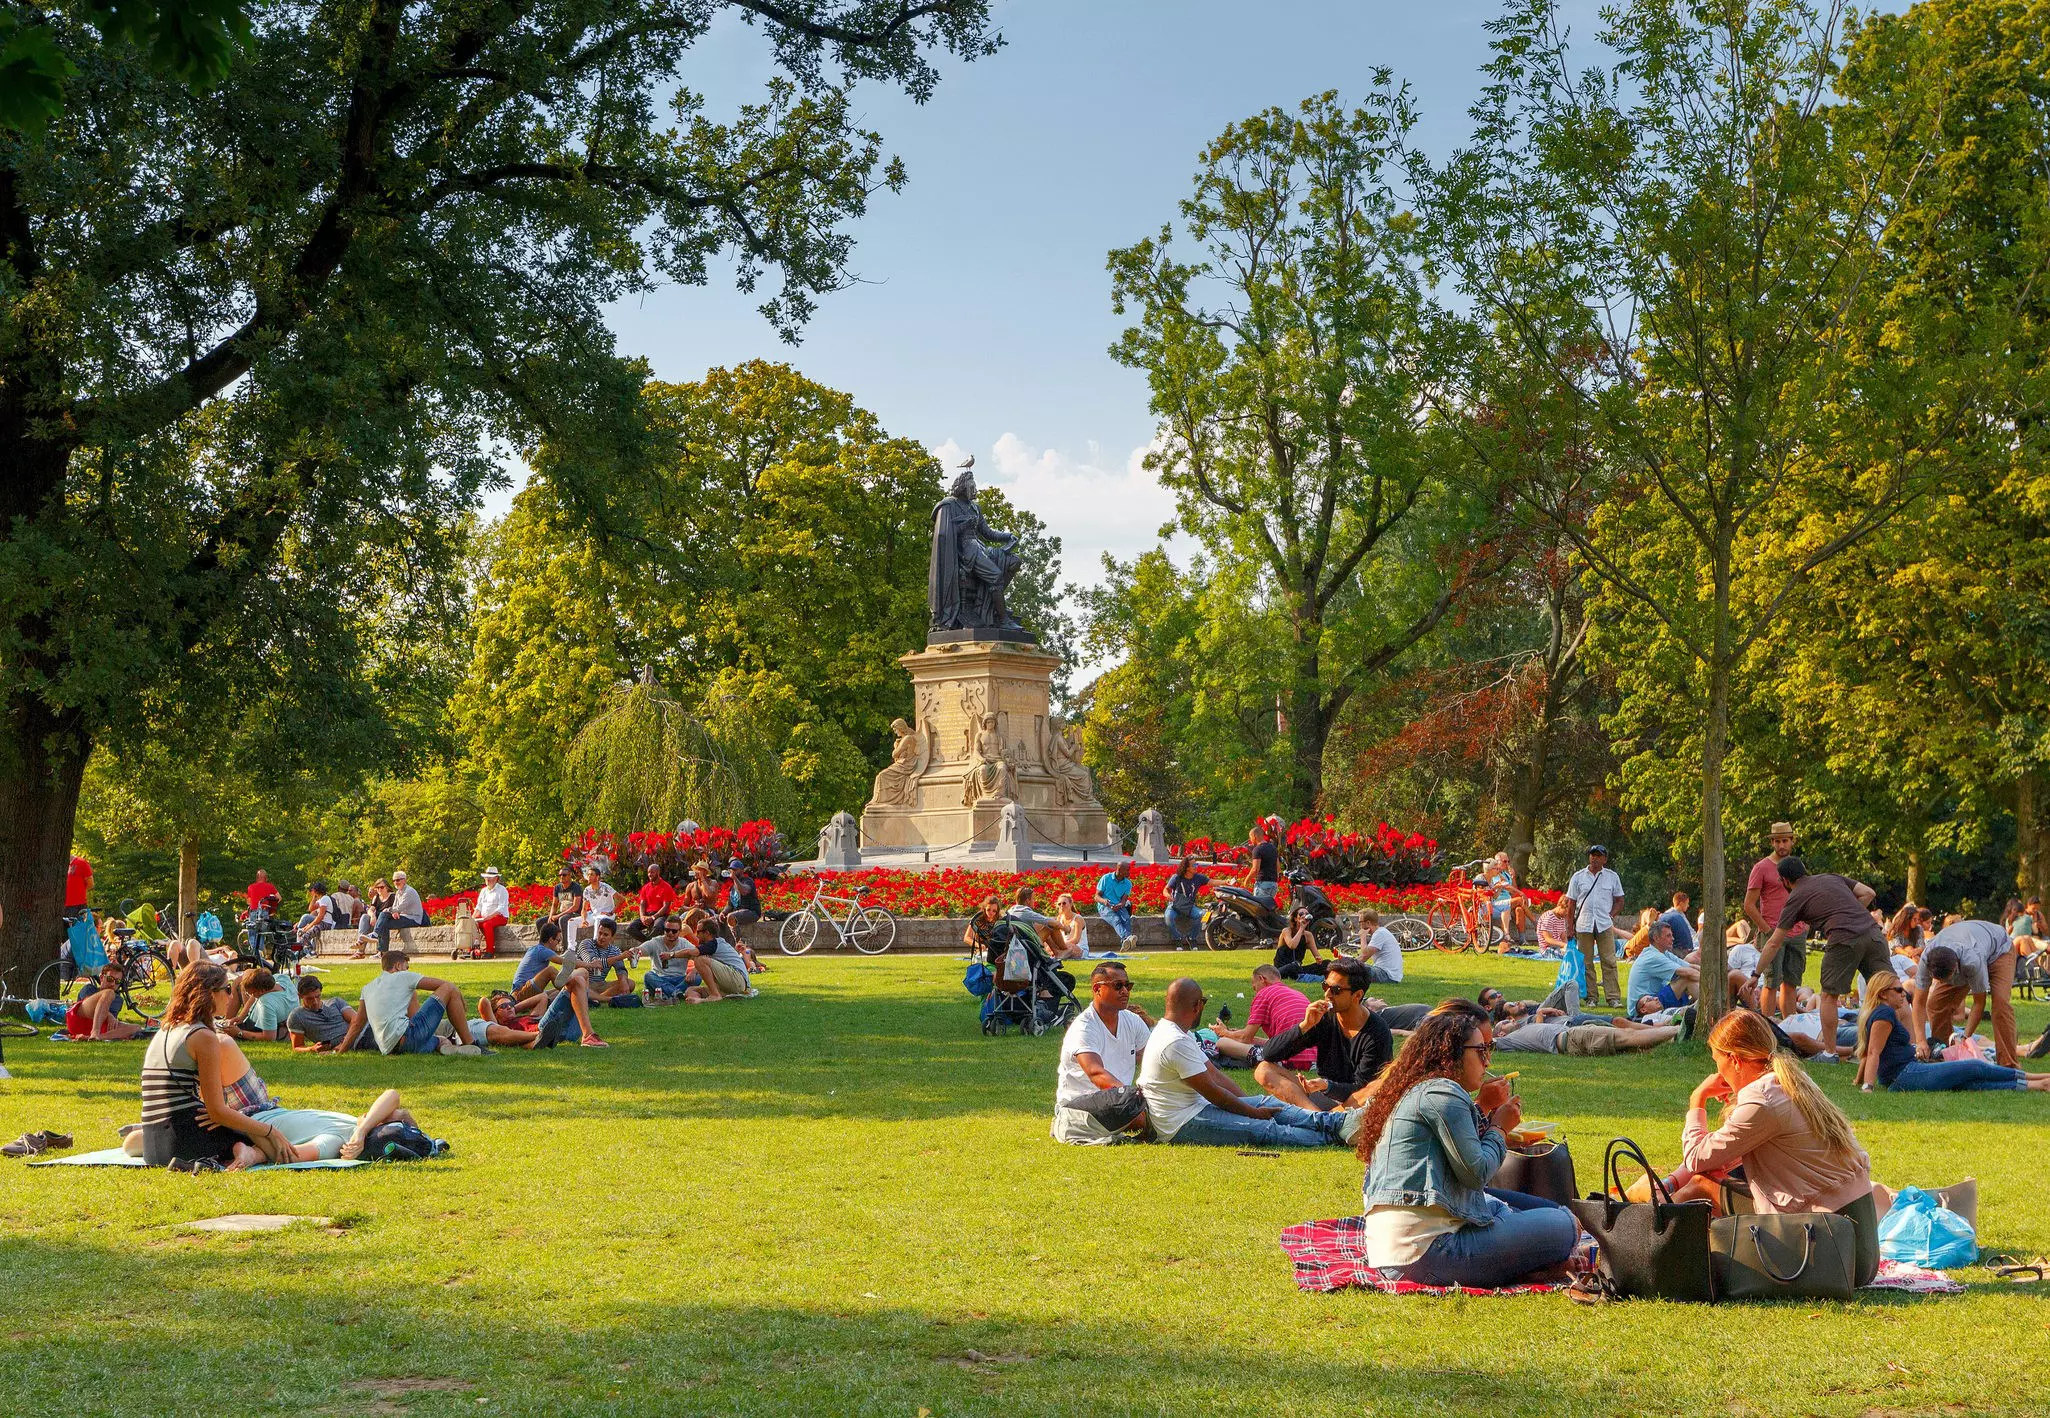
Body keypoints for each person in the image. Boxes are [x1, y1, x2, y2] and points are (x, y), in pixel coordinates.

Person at [1634, 1010, 1881, 1286]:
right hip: (1857, 1246)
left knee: (1702, 1187)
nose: (1718, 1074)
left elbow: (1697, 1158)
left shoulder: (1762, 1100)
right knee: (1703, 1183)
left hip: (1834, 1248)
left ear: (1735, 1060)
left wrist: (1697, 1099)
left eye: (1718, 1063)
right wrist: (1669, 1183)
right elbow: (1719, 1157)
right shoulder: (1789, 1081)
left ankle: (1640, 1255)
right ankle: (1651, 1245)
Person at [1351, 1010, 1576, 1287]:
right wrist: (1500, 1127)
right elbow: (1476, 1172)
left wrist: (1487, 1116)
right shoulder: (1444, 1092)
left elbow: (1458, 1155)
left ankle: (1528, 1263)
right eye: (1481, 1051)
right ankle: (1529, 1262)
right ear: (1450, 1053)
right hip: (1427, 1254)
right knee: (1567, 1225)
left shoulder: (1419, 1089)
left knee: (1507, 1209)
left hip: (1395, 1251)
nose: (1488, 1060)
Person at [1137, 978, 1354, 1148]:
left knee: (1265, 1102)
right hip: (1181, 1123)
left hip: (1196, 1109)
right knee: (1264, 1129)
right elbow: (1214, 1092)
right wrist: (1251, 1113)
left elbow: (1215, 1075)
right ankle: (1336, 1136)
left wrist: (1252, 1105)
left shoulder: (1178, 1032)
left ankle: (1336, 1123)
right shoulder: (1174, 1042)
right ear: (1196, 1006)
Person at [138, 962, 298, 1169]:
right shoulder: (202, 1036)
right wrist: (270, 1130)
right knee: (279, 1147)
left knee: (249, 1130)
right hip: (184, 1141)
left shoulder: (166, 1029)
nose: (231, 996)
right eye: (227, 989)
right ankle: (241, 1151)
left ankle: (237, 1149)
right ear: (208, 993)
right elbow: (217, 1112)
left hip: (153, 1146)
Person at [1753, 858, 1882, 1064]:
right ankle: (1909, 1045)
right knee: (1891, 991)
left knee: (1829, 996)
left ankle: (1830, 1053)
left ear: (1784, 880)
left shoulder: (1796, 897)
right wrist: (1851, 914)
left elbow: (1773, 943)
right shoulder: (1832, 877)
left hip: (1843, 939)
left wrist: (1755, 974)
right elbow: (1869, 893)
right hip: (1874, 934)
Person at [1858, 971, 2050, 1093]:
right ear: (1883, 993)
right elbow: (1873, 1051)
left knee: (1966, 1082)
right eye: (1899, 990)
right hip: (1906, 1074)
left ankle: (2038, 1084)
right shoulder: (1884, 1013)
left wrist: (1857, 1081)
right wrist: (1867, 1086)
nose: (1904, 994)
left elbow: (1868, 1050)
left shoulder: (1880, 1013)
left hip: (1905, 1073)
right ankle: (2037, 1076)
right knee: (1973, 1066)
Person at [1250, 958, 1395, 1111]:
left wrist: (1328, 1086)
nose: (1327, 994)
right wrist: (1305, 1025)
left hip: (1357, 1103)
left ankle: (1322, 1120)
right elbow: (1270, 1054)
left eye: (1336, 990)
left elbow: (1365, 1088)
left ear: (1357, 996)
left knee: (1367, 1095)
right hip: (1322, 1095)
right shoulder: (1325, 1018)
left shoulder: (1377, 1033)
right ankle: (1319, 1118)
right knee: (1264, 1069)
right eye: (1325, 986)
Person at [1051, 962, 1155, 1144]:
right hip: (1079, 1107)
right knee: (1146, 1116)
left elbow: (1152, 1060)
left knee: (1162, 1108)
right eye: (1118, 986)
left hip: (1118, 1102)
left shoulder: (1133, 1022)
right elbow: (1096, 1073)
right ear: (1097, 989)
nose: (1125, 991)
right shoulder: (1084, 1028)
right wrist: (1130, 1097)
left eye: (1127, 985)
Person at [341, 949, 484, 1056]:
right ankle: (470, 1043)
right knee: (449, 988)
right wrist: (458, 997)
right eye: (406, 967)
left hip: (391, 1049)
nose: (407, 970)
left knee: (439, 1040)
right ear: (397, 966)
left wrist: (340, 1052)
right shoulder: (402, 976)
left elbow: (357, 1024)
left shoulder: (367, 988)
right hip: (408, 1038)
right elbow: (446, 986)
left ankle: (445, 1045)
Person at [1915, 921, 2018, 1067]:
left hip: (2000, 949)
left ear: (1955, 966)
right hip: (1970, 946)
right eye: (1940, 980)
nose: (1948, 982)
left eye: (1949, 978)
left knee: (2000, 1005)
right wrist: (1921, 1041)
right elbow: (1919, 1003)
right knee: (1936, 1004)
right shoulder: (1927, 960)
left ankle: (2009, 1065)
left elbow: (1979, 1003)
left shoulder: (1971, 961)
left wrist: (1965, 1037)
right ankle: (1946, 1057)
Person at [1743, 822, 1805, 1017]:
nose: (1782, 846)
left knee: (1791, 982)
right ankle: (1768, 1026)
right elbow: (1749, 905)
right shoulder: (1761, 868)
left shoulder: (1797, 866)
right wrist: (1766, 929)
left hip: (1797, 931)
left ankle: (1789, 1026)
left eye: (1785, 841)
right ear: (1772, 843)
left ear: (1792, 841)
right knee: (1771, 982)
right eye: (1777, 841)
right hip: (1773, 931)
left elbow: (1805, 893)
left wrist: (1806, 924)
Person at [1210, 964, 1316, 1072]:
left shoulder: (1264, 994)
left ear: (1261, 979)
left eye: (1255, 987)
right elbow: (1279, 1041)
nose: (1255, 992)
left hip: (1290, 1060)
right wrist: (1238, 1035)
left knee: (1222, 1043)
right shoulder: (1298, 994)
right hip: (1313, 1059)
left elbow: (1245, 1038)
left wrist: (1224, 1033)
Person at [1565, 845, 1626, 1008]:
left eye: (1599, 856)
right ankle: (1591, 997)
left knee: (1609, 961)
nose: (1595, 858)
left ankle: (1613, 997)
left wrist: (1611, 914)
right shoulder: (1578, 877)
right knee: (1586, 962)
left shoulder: (1612, 877)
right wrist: (1569, 927)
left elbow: (1620, 900)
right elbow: (1570, 904)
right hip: (1583, 924)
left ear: (1605, 859)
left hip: (1604, 924)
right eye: (1593, 855)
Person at [1493, 1009, 1682, 1056]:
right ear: (1501, 1033)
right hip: (1571, 1039)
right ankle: (1679, 1029)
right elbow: (1487, 1044)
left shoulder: (1525, 1026)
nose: (1510, 1020)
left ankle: (1675, 1037)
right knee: (1628, 1036)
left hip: (1574, 1032)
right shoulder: (1507, 1040)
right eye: (1504, 1023)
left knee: (1630, 1037)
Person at [286, 975, 372, 1052]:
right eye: (310, 999)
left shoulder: (335, 1002)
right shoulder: (297, 1016)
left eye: (317, 996)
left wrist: (343, 1043)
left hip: (365, 1030)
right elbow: (297, 1047)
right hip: (359, 1042)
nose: (315, 1002)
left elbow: (355, 1020)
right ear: (300, 996)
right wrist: (312, 1049)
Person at [65, 963, 143, 1041]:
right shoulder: (89, 989)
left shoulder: (118, 1000)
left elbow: (111, 1024)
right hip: (80, 1022)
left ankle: (96, 1038)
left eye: (118, 981)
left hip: (101, 1029)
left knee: (137, 1028)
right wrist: (109, 1015)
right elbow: (86, 1004)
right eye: (110, 979)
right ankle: (95, 1033)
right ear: (102, 978)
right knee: (109, 993)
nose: (113, 984)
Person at [228, 968, 295, 1041]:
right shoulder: (282, 978)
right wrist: (241, 1016)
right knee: (242, 977)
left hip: (254, 1027)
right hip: (281, 1018)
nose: (251, 995)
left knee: (223, 1032)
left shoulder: (266, 1003)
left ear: (261, 992)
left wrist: (239, 1033)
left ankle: (228, 1023)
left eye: (251, 993)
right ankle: (228, 1021)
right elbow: (256, 994)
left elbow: (269, 1037)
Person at [371, 870, 428, 953]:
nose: (395, 882)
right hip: (403, 917)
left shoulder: (409, 891)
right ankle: (381, 949)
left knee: (384, 918)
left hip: (413, 919)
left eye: (398, 880)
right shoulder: (398, 892)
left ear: (404, 880)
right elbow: (395, 907)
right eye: (393, 880)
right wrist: (394, 912)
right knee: (384, 919)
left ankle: (377, 939)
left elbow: (400, 907)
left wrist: (390, 910)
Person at [1163, 855, 1209, 946]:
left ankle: (1191, 938)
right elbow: (1165, 890)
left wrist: (1225, 882)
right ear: (1187, 868)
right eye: (1194, 865)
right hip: (1175, 906)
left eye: (1197, 864)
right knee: (1168, 917)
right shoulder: (1176, 877)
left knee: (1203, 915)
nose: (1197, 867)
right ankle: (1177, 938)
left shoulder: (1198, 877)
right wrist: (1169, 896)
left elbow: (1213, 881)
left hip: (1189, 907)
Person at [1486, 851, 1531, 940]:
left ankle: (1522, 939)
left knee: (1519, 910)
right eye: (1504, 861)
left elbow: (1513, 892)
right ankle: (1535, 922)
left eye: (1508, 861)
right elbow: (1505, 886)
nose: (1507, 864)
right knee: (1519, 900)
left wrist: (1513, 877)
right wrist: (1521, 893)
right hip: (1499, 902)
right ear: (1497, 861)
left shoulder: (1506, 874)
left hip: (1508, 901)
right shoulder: (1494, 873)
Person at [1094, 860, 1137, 950]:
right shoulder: (1106, 878)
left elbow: (1123, 901)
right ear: (1119, 870)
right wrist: (1105, 901)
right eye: (1127, 870)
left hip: (1119, 906)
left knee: (1126, 919)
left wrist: (1120, 905)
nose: (1129, 872)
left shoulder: (1128, 883)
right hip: (1105, 907)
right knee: (1116, 919)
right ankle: (1127, 938)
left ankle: (1125, 944)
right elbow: (1097, 897)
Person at [718, 858, 762, 945]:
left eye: (735, 869)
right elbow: (730, 905)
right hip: (738, 912)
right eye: (731, 870)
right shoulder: (732, 888)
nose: (732, 871)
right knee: (716, 919)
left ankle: (737, 941)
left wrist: (734, 878)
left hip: (752, 912)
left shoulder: (748, 881)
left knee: (731, 916)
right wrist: (723, 912)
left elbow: (744, 891)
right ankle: (722, 945)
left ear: (742, 870)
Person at [1273, 907, 1323, 981]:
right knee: (1294, 966)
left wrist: (1319, 959)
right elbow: (1292, 945)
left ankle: (1303, 975)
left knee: (1327, 964)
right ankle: (1305, 976)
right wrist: (1301, 929)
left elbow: (1317, 956)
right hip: (1282, 969)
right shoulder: (1286, 931)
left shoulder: (1308, 935)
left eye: (1306, 914)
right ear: (1296, 918)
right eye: (1301, 914)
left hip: (1298, 968)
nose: (1304, 915)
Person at [349, 878, 394, 958]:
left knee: (381, 921)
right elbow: (370, 910)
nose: (379, 889)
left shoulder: (392, 896)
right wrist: (372, 916)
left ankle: (361, 943)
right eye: (377, 888)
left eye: (381, 887)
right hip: (377, 921)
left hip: (386, 921)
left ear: (387, 887)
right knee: (365, 917)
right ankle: (360, 948)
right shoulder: (376, 897)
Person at [471, 868, 510, 958]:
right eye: (486, 877)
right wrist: (472, 918)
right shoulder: (484, 891)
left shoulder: (502, 890)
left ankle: (490, 951)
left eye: (491, 877)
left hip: (500, 917)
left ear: (496, 878)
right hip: (485, 917)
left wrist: (488, 917)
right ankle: (472, 949)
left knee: (487, 924)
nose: (488, 880)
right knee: (473, 924)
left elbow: (501, 908)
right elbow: (479, 907)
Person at [1356, 909, 1403, 984]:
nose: (1359, 925)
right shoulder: (1381, 932)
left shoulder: (1380, 934)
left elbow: (1364, 956)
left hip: (1386, 975)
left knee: (1356, 968)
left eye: (1360, 922)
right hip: (1387, 974)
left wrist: (1363, 937)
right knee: (1354, 967)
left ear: (1368, 923)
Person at [1243, 821, 1281, 908]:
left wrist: (1246, 880)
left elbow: (1255, 869)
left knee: (1258, 911)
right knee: (1267, 911)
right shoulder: (1273, 848)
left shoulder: (1257, 850)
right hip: (1273, 885)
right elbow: (1278, 868)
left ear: (1255, 836)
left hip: (1263, 885)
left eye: (1251, 837)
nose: (1250, 840)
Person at [1048, 893, 1090, 960]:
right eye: (1059, 904)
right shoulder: (1059, 918)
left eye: (1064, 903)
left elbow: (1076, 940)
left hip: (1079, 948)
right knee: (1048, 945)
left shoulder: (1077, 919)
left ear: (1070, 904)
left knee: (1069, 947)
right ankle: (1060, 954)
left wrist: (1061, 945)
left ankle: (1059, 954)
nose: (1061, 906)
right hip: (1064, 946)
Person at [1659, 890, 1696, 955]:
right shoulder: (1669, 916)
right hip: (1679, 949)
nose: (1688, 906)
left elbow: (1691, 931)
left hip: (1689, 946)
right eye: (1687, 903)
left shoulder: (1681, 915)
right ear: (1681, 904)